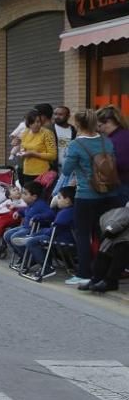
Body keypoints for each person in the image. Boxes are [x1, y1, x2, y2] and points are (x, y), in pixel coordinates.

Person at [62, 108, 120, 286]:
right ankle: (103, 274)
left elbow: (66, 170)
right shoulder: (106, 141)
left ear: (78, 124)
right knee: (106, 234)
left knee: (83, 234)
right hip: (110, 193)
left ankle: (84, 273)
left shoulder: (76, 145)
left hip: (87, 195)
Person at [20, 186, 76, 277]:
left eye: (59, 197)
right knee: (36, 239)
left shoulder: (66, 213)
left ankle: (46, 267)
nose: (57, 200)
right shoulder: (66, 211)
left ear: (67, 200)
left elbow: (54, 229)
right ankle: (30, 240)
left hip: (61, 238)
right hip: (58, 236)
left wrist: (40, 233)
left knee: (32, 242)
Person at [2, 182, 53, 257]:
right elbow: (26, 210)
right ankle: (22, 255)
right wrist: (19, 212)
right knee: (7, 235)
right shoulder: (30, 204)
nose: (22, 195)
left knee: (14, 237)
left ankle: (29, 257)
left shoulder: (41, 204)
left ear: (34, 196)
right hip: (25, 227)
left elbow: (51, 214)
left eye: (25, 194)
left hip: (34, 229)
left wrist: (37, 217)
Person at [96, 104, 129, 204]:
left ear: (109, 122)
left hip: (122, 185)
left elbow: (123, 163)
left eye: (99, 125)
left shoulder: (117, 139)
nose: (98, 129)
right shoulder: (123, 134)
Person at [17, 109, 56, 186]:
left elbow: (53, 156)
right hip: (26, 171)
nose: (36, 124)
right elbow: (23, 148)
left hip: (42, 173)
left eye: (38, 121)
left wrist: (33, 154)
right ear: (28, 123)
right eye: (32, 122)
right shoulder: (25, 133)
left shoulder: (47, 133)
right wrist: (22, 152)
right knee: (27, 196)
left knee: (39, 196)